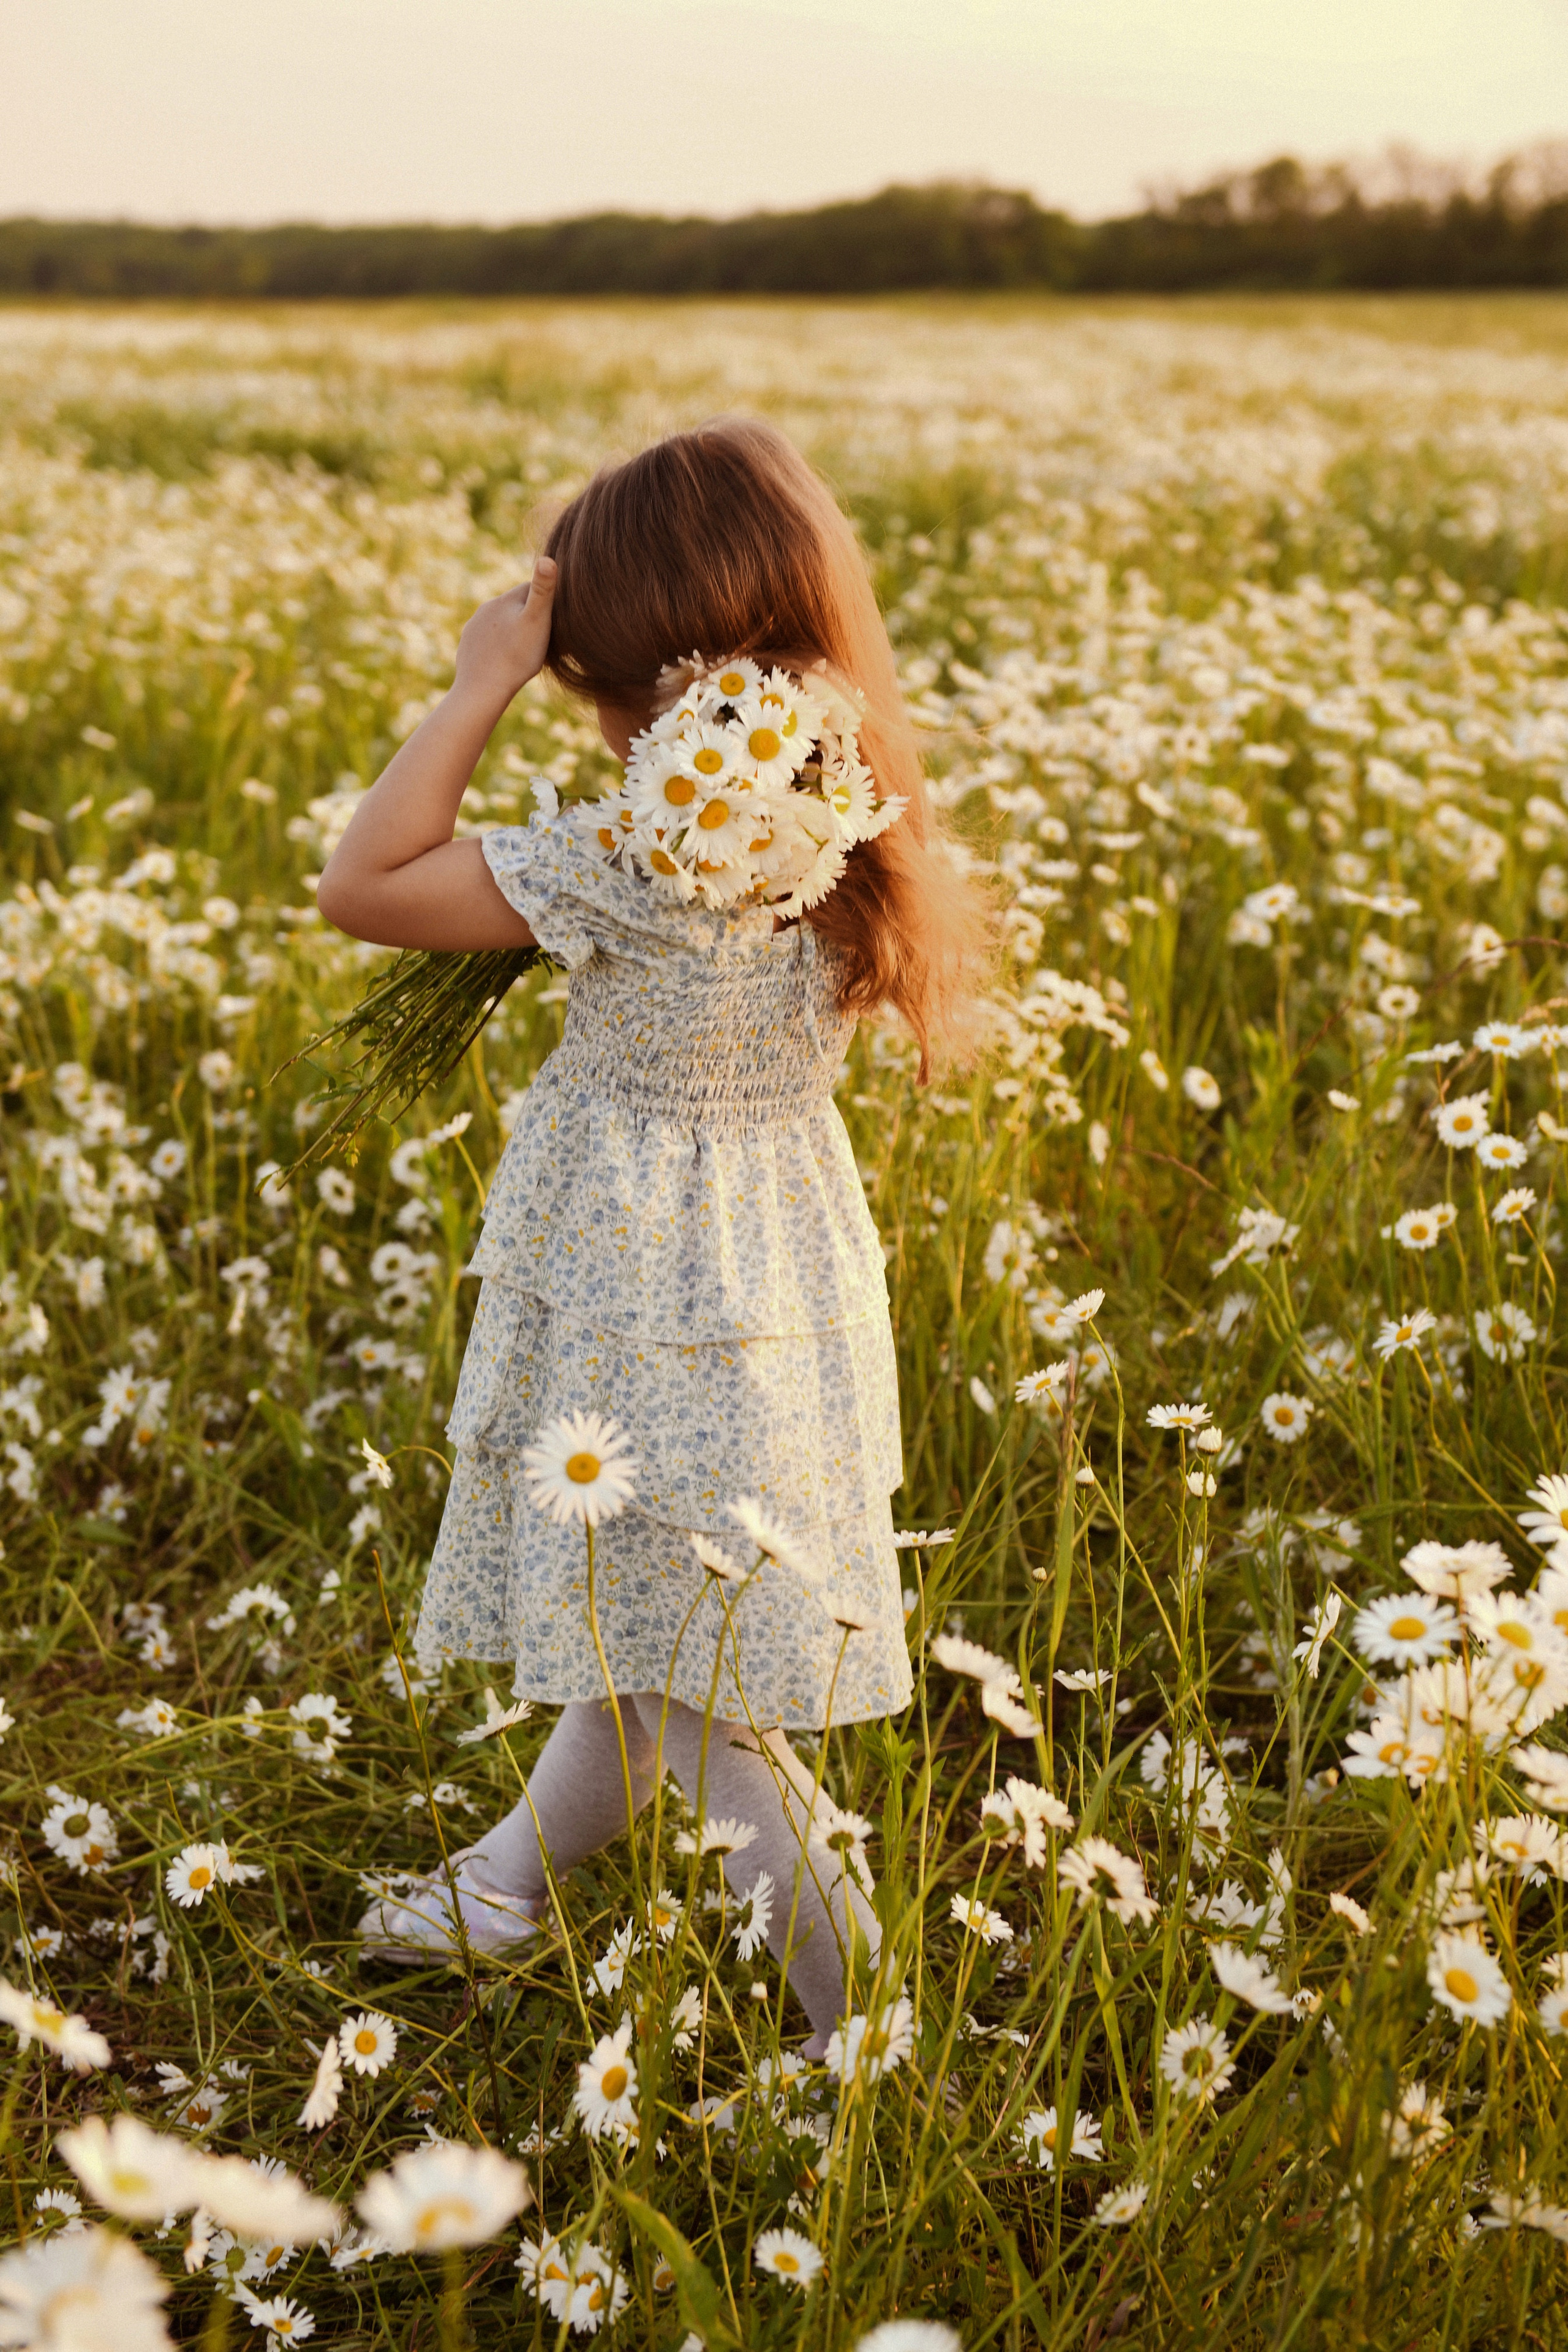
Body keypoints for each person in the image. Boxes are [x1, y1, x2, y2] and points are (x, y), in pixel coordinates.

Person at [315, 415, 985, 2054]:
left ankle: (862, 2041)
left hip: (641, 1301)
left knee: (684, 1691)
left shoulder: (644, 852)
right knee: (649, 1645)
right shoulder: (832, 793)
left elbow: (366, 881)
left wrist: (477, 679)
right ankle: (500, 1885)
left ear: (632, 664)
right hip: (770, 1282)